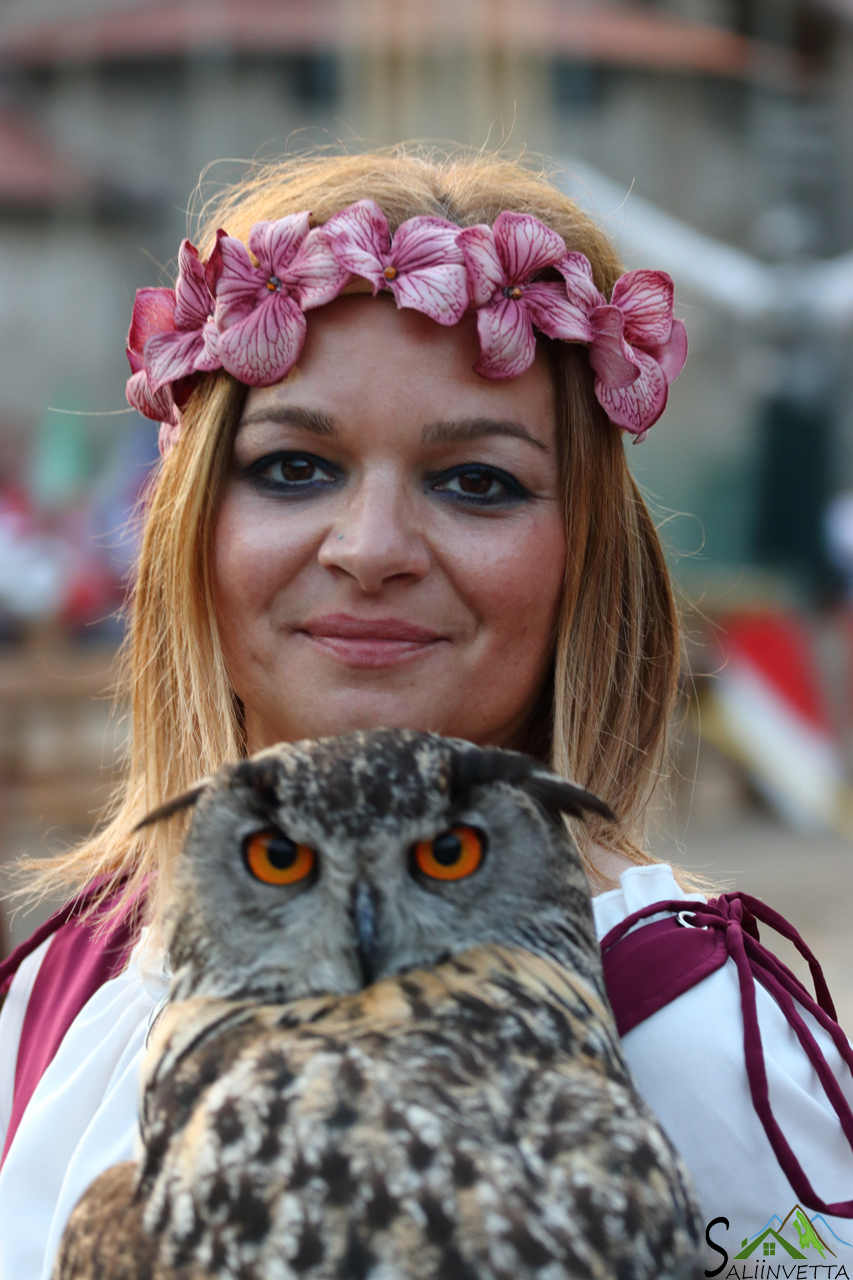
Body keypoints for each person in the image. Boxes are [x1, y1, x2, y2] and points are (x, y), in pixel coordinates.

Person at [0, 150, 850, 1279]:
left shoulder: (688, 1029)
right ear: (192, 520)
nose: (371, 549)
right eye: (295, 467)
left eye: (476, 481)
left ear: (583, 552)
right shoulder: (78, 978)